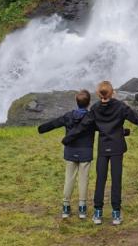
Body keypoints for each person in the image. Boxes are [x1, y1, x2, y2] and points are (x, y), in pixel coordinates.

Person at [63, 80, 138, 226]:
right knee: (116, 180)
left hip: (103, 148)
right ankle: (116, 214)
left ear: (98, 94)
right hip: (117, 148)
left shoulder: (95, 108)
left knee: (100, 180)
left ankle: (98, 213)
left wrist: (67, 138)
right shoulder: (121, 107)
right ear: (113, 92)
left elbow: (82, 127)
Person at [37, 89, 95, 220]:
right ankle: (82, 208)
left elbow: (54, 123)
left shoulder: (68, 116)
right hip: (85, 151)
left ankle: (66, 207)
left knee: (69, 179)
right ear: (89, 103)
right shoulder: (91, 118)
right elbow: (104, 128)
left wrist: (41, 128)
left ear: (76, 102)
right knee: (83, 180)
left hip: (70, 151)